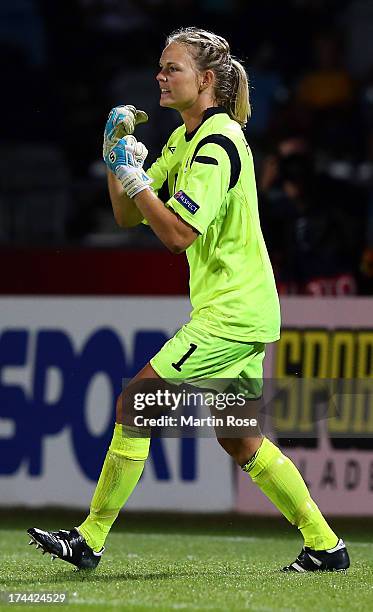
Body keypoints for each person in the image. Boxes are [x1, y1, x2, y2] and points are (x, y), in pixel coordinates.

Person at [27, 27, 349, 573]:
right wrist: (115, 161)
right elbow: (130, 214)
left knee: (138, 402)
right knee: (240, 437)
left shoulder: (218, 146)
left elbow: (177, 234)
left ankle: (90, 537)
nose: (160, 75)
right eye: (159, 66)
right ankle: (326, 545)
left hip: (232, 311)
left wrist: (135, 181)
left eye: (171, 68)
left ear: (204, 81)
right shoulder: (184, 139)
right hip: (243, 308)